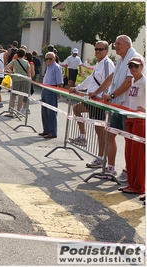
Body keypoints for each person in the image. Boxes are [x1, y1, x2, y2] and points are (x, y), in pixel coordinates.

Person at [89, 35, 144, 180]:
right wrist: (97, 92)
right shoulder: (121, 60)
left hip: (129, 108)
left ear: (127, 44)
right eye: (115, 43)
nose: (116, 46)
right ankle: (111, 168)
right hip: (118, 106)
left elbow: (128, 82)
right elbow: (111, 78)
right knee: (110, 135)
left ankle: (128, 170)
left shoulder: (135, 59)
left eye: (119, 43)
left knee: (129, 141)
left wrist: (111, 95)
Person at [68, 41, 115, 168]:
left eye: (101, 49)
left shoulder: (106, 63)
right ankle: (83, 137)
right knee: (76, 109)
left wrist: (103, 98)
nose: (98, 51)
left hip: (99, 100)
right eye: (96, 49)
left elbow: (108, 82)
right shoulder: (99, 63)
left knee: (100, 130)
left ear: (106, 51)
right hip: (91, 99)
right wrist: (77, 88)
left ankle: (101, 158)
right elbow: (91, 79)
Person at [117, 56, 145, 194]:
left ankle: (138, 186)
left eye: (136, 66)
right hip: (130, 120)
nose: (133, 68)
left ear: (142, 67)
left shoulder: (145, 82)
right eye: (131, 66)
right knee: (129, 155)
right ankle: (131, 184)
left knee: (138, 156)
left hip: (140, 121)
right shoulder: (133, 80)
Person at [39, 52, 63, 138]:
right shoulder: (48, 67)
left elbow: (60, 82)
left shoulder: (56, 67)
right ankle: (46, 130)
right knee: (44, 111)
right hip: (45, 89)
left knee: (51, 112)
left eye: (50, 58)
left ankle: (53, 132)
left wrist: (59, 92)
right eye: (47, 59)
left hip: (52, 89)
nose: (48, 60)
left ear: (54, 59)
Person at [4, 48, 31, 117]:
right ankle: (18, 113)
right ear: (24, 55)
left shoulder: (14, 61)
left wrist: (12, 72)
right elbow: (29, 74)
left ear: (17, 54)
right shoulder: (27, 62)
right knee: (21, 97)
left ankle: (11, 112)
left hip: (16, 79)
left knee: (13, 97)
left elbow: (7, 67)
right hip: (25, 80)